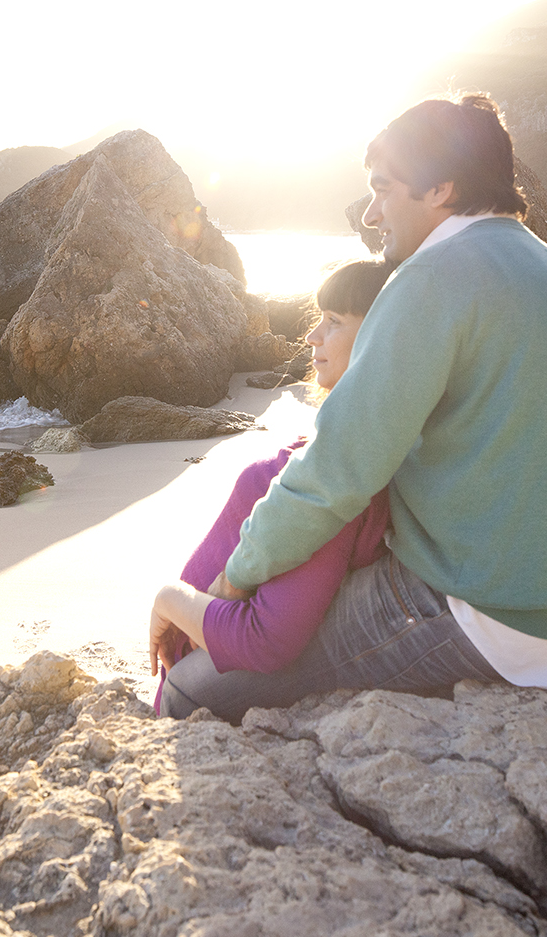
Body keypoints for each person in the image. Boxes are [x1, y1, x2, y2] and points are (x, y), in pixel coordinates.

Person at [161, 92, 547, 720]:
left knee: (191, 690)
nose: (370, 213)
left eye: (383, 189)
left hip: (489, 614)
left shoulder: (433, 275)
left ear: (441, 187)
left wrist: (233, 583)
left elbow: (335, 475)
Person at [149, 259, 392, 723]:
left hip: (194, 692)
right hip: (198, 655)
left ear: (381, 337)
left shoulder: (339, 475)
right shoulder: (345, 446)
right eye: (318, 318)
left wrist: (171, 600)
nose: (311, 337)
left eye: (334, 322)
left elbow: (268, 638)